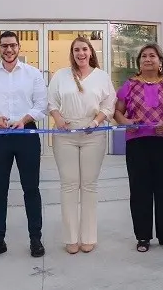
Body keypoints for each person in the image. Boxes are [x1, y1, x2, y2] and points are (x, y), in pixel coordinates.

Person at [0, 31, 48, 260]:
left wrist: (24, 119)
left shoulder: (33, 74)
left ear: (19, 47)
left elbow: (42, 105)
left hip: (26, 134)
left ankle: (35, 238)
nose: (9, 49)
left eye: (13, 45)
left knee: (31, 189)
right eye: (4, 46)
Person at [115, 43, 163, 252]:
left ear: (160, 61)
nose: (148, 59)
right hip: (137, 143)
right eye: (144, 56)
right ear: (139, 62)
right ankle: (143, 237)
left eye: (152, 56)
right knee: (140, 190)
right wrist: (128, 123)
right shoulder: (129, 85)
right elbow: (118, 112)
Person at [47, 36, 115, 254]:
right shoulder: (61, 76)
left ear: (91, 52)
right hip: (65, 134)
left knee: (89, 185)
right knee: (69, 185)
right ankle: (70, 238)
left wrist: (96, 122)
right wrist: (58, 119)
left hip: (92, 134)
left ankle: (88, 237)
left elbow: (109, 103)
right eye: (76, 50)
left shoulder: (102, 77)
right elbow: (51, 102)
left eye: (84, 49)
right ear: (72, 53)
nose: (81, 53)